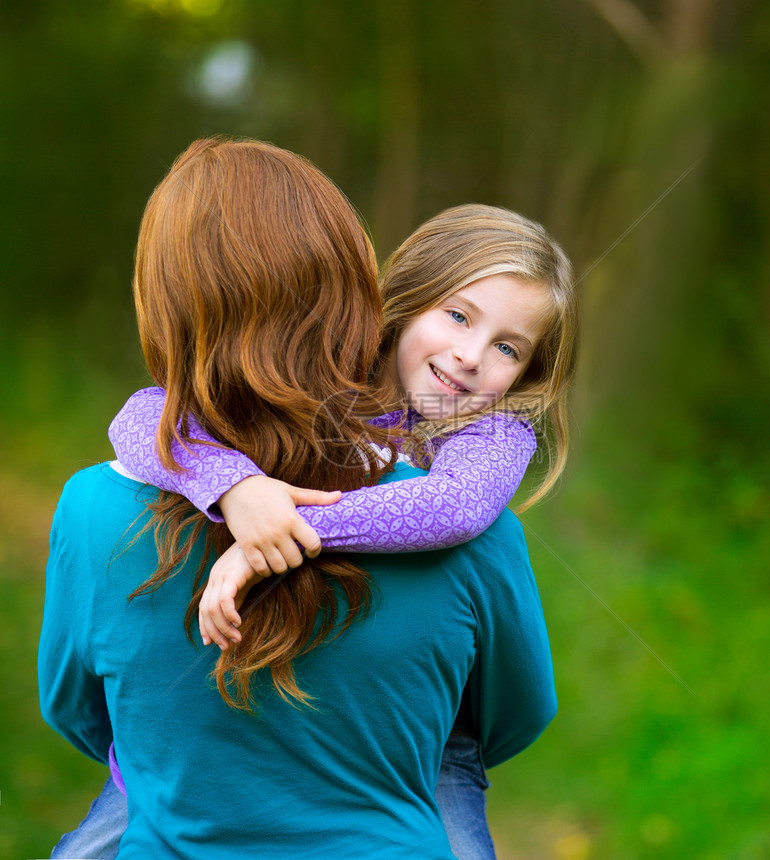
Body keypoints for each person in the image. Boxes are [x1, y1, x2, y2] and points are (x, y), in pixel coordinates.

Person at [39, 138, 557, 860]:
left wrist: (282, 530)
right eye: (459, 317)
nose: (471, 357)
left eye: (510, 347)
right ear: (381, 303)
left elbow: (76, 715)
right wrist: (235, 488)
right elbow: (138, 420)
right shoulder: (470, 528)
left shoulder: (489, 452)